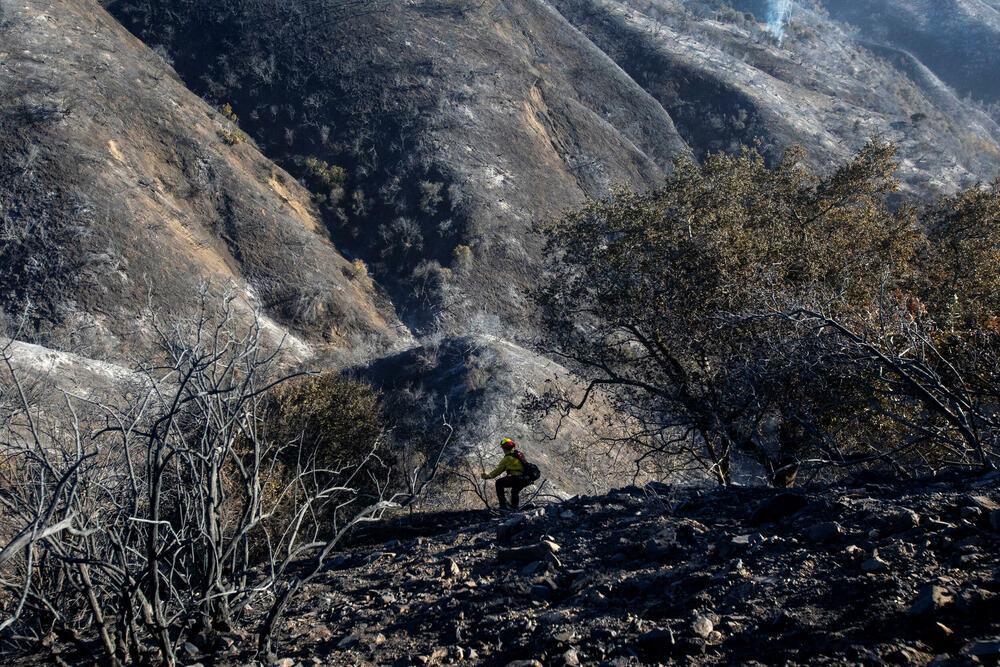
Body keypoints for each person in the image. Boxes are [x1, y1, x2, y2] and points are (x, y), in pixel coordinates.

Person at [481, 438, 530, 510]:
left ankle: (503, 505)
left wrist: (487, 476)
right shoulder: (518, 455)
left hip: (516, 478)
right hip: (525, 479)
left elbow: (497, 471)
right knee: (515, 492)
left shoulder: (506, 459)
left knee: (499, 483)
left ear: (504, 448)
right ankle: (515, 508)